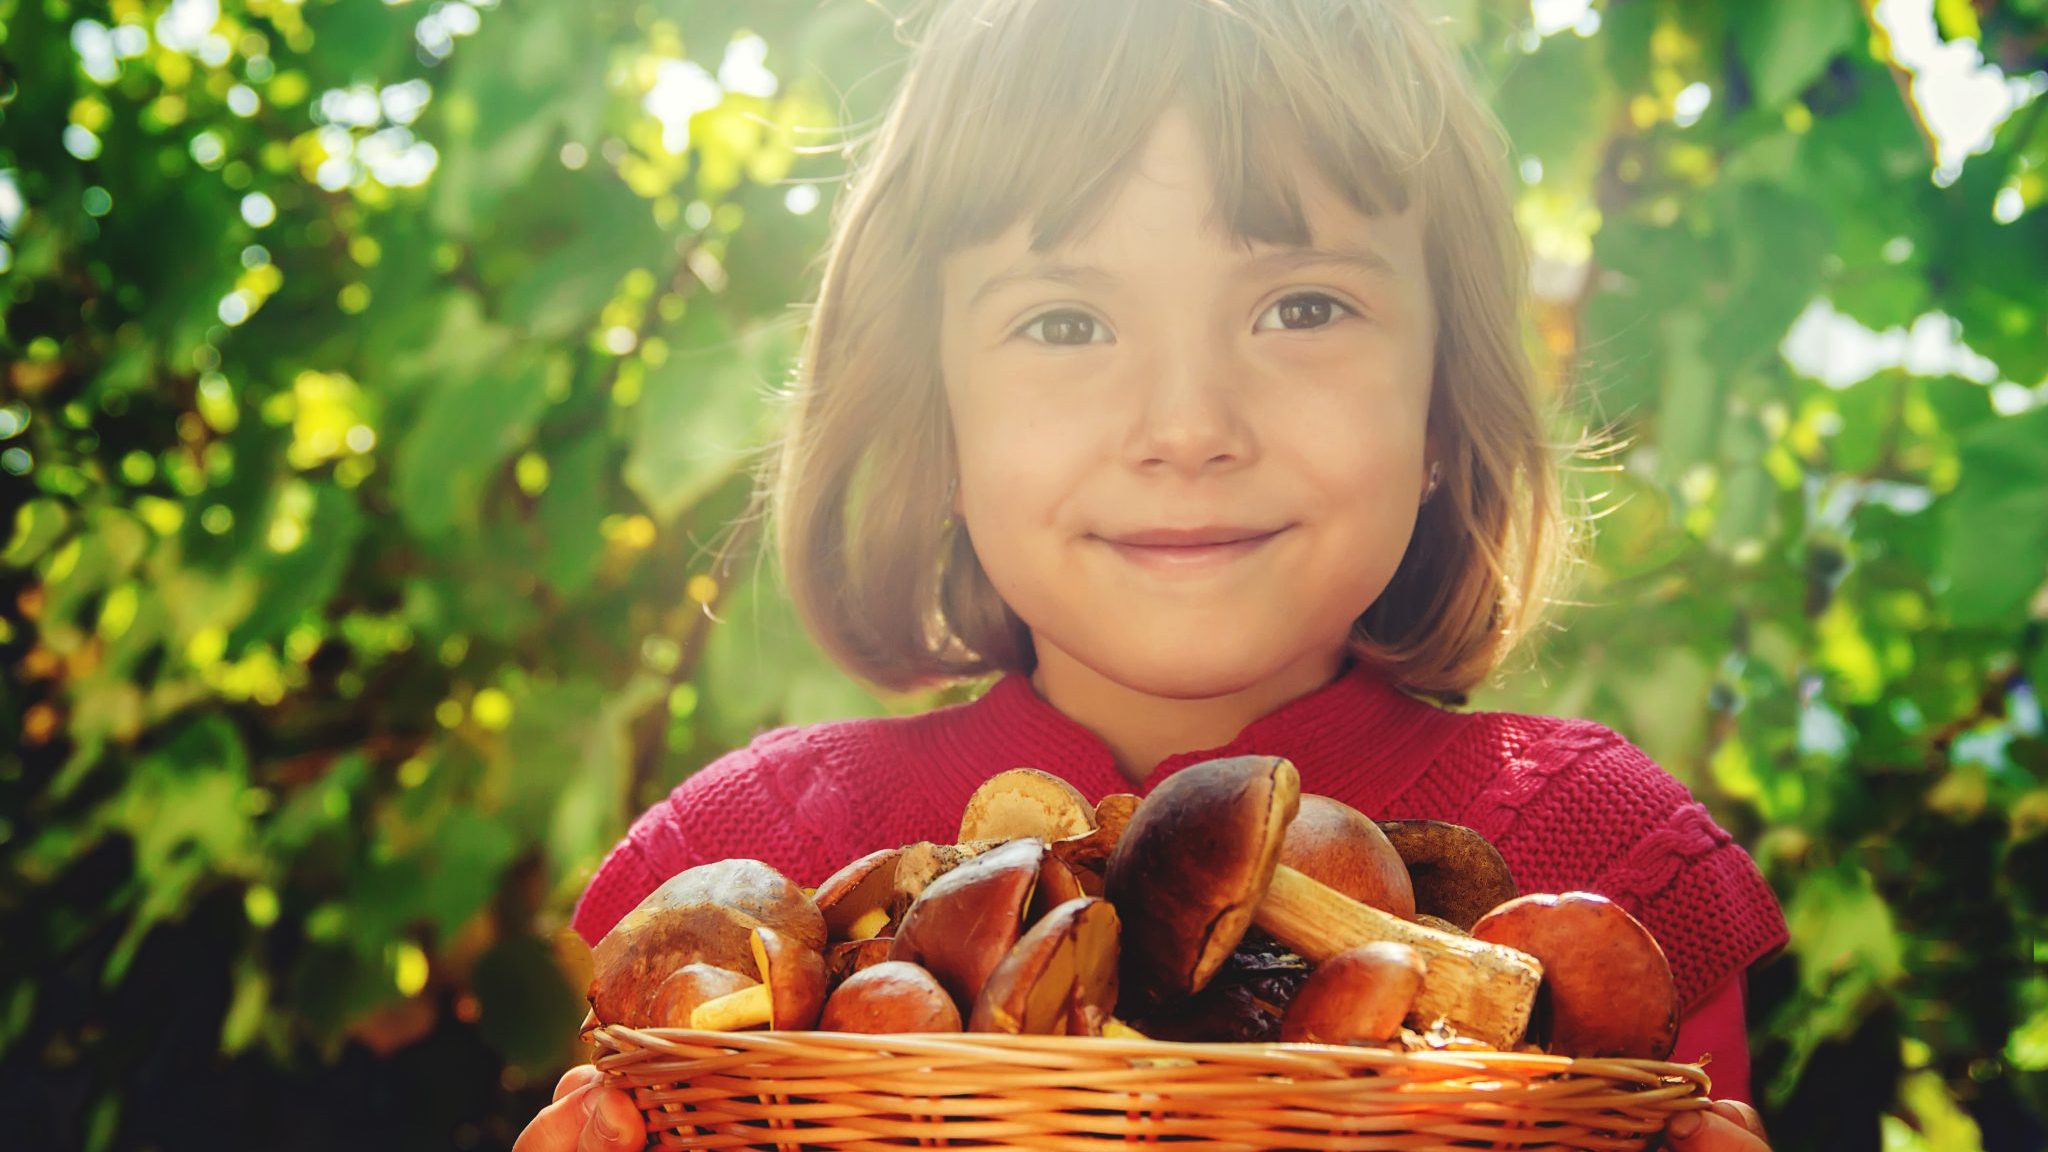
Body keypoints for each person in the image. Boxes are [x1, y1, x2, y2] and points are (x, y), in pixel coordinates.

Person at [515, 1, 1788, 1149]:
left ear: (1443, 413)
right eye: (1064, 323)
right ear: (933, 422)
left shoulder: (1605, 866)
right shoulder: (753, 871)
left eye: (1300, 308)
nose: (1185, 427)